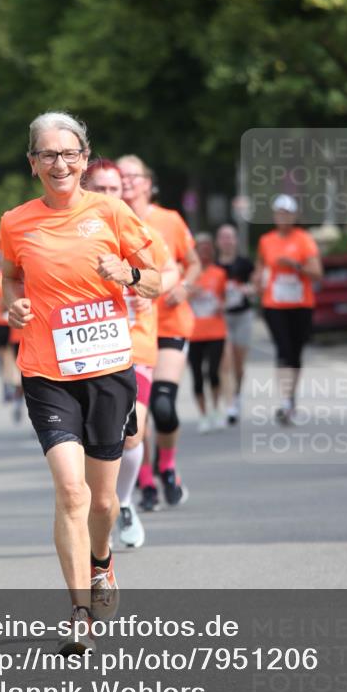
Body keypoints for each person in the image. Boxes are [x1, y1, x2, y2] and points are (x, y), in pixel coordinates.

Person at [0, 113, 160, 651]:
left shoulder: (111, 212)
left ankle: (102, 559)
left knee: (103, 502)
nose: (59, 164)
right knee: (71, 491)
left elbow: (156, 280)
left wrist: (129, 275)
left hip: (108, 370)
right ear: (32, 164)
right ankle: (79, 613)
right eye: (47, 154)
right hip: (47, 372)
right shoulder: (16, 222)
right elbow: (11, 276)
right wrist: (13, 305)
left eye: (69, 154)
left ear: (85, 159)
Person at [84, 158, 179, 547]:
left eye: (115, 189)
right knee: (92, 441)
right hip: (88, 349)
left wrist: (145, 287)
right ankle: (98, 506)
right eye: (101, 189)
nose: (109, 195)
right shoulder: (72, 233)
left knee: (133, 433)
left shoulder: (140, 230)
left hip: (135, 345)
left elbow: (169, 272)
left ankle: (123, 502)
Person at [117, 156, 201, 509]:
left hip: (169, 324)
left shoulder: (169, 220)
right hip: (131, 328)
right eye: (121, 176)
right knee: (137, 414)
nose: (127, 181)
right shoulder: (107, 221)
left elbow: (192, 263)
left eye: (133, 175)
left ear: (148, 183)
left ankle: (166, 466)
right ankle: (145, 480)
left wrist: (184, 286)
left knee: (163, 407)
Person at [254, 194, 323, 425]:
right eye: (279, 213)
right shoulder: (266, 240)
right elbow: (260, 267)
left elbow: (317, 273)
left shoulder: (304, 239)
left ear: (295, 216)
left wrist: (294, 265)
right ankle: (285, 402)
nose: (283, 217)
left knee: (295, 353)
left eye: (287, 213)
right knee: (283, 350)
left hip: (301, 304)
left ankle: (291, 398)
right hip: (274, 305)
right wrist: (257, 281)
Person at [187, 233, 229, 433]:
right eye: (200, 248)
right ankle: (203, 415)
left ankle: (216, 410)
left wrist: (221, 304)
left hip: (215, 330)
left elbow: (226, 298)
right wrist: (190, 294)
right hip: (193, 331)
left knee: (213, 372)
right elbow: (178, 299)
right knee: (197, 375)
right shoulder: (188, 274)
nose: (204, 252)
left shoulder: (219, 273)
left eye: (207, 248)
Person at [215, 223, 255, 423]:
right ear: (218, 241)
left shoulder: (245, 263)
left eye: (230, 237)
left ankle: (237, 395)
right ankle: (229, 405)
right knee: (225, 361)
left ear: (236, 241)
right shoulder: (214, 266)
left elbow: (256, 284)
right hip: (221, 318)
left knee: (239, 364)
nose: (227, 241)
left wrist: (249, 289)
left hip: (242, 316)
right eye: (223, 237)